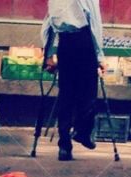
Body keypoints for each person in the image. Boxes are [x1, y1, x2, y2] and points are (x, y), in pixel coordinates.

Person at [41, 0, 105, 161]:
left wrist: (48, 54)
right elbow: (94, 23)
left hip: (65, 44)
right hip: (84, 43)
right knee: (89, 91)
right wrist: (99, 56)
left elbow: (50, 20)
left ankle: (64, 145)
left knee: (66, 94)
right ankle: (82, 131)